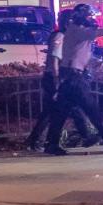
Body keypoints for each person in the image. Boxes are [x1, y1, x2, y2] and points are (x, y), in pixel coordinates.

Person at [43, 4, 103, 156]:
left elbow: (80, 53)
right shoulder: (79, 30)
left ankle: (51, 144)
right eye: (91, 16)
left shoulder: (75, 30)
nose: (93, 19)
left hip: (70, 75)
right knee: (92, 108)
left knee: (61, 112)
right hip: (74, 77)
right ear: (83, 17)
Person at [25, 9, 94, 151]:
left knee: (54, 110)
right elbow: (55, 60)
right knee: (68, 108)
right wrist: (58, 81)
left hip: (58, 77)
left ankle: (36, 141)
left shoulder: (65, 36)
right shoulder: (60, 36)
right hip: (55, 78)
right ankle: (83, 136)